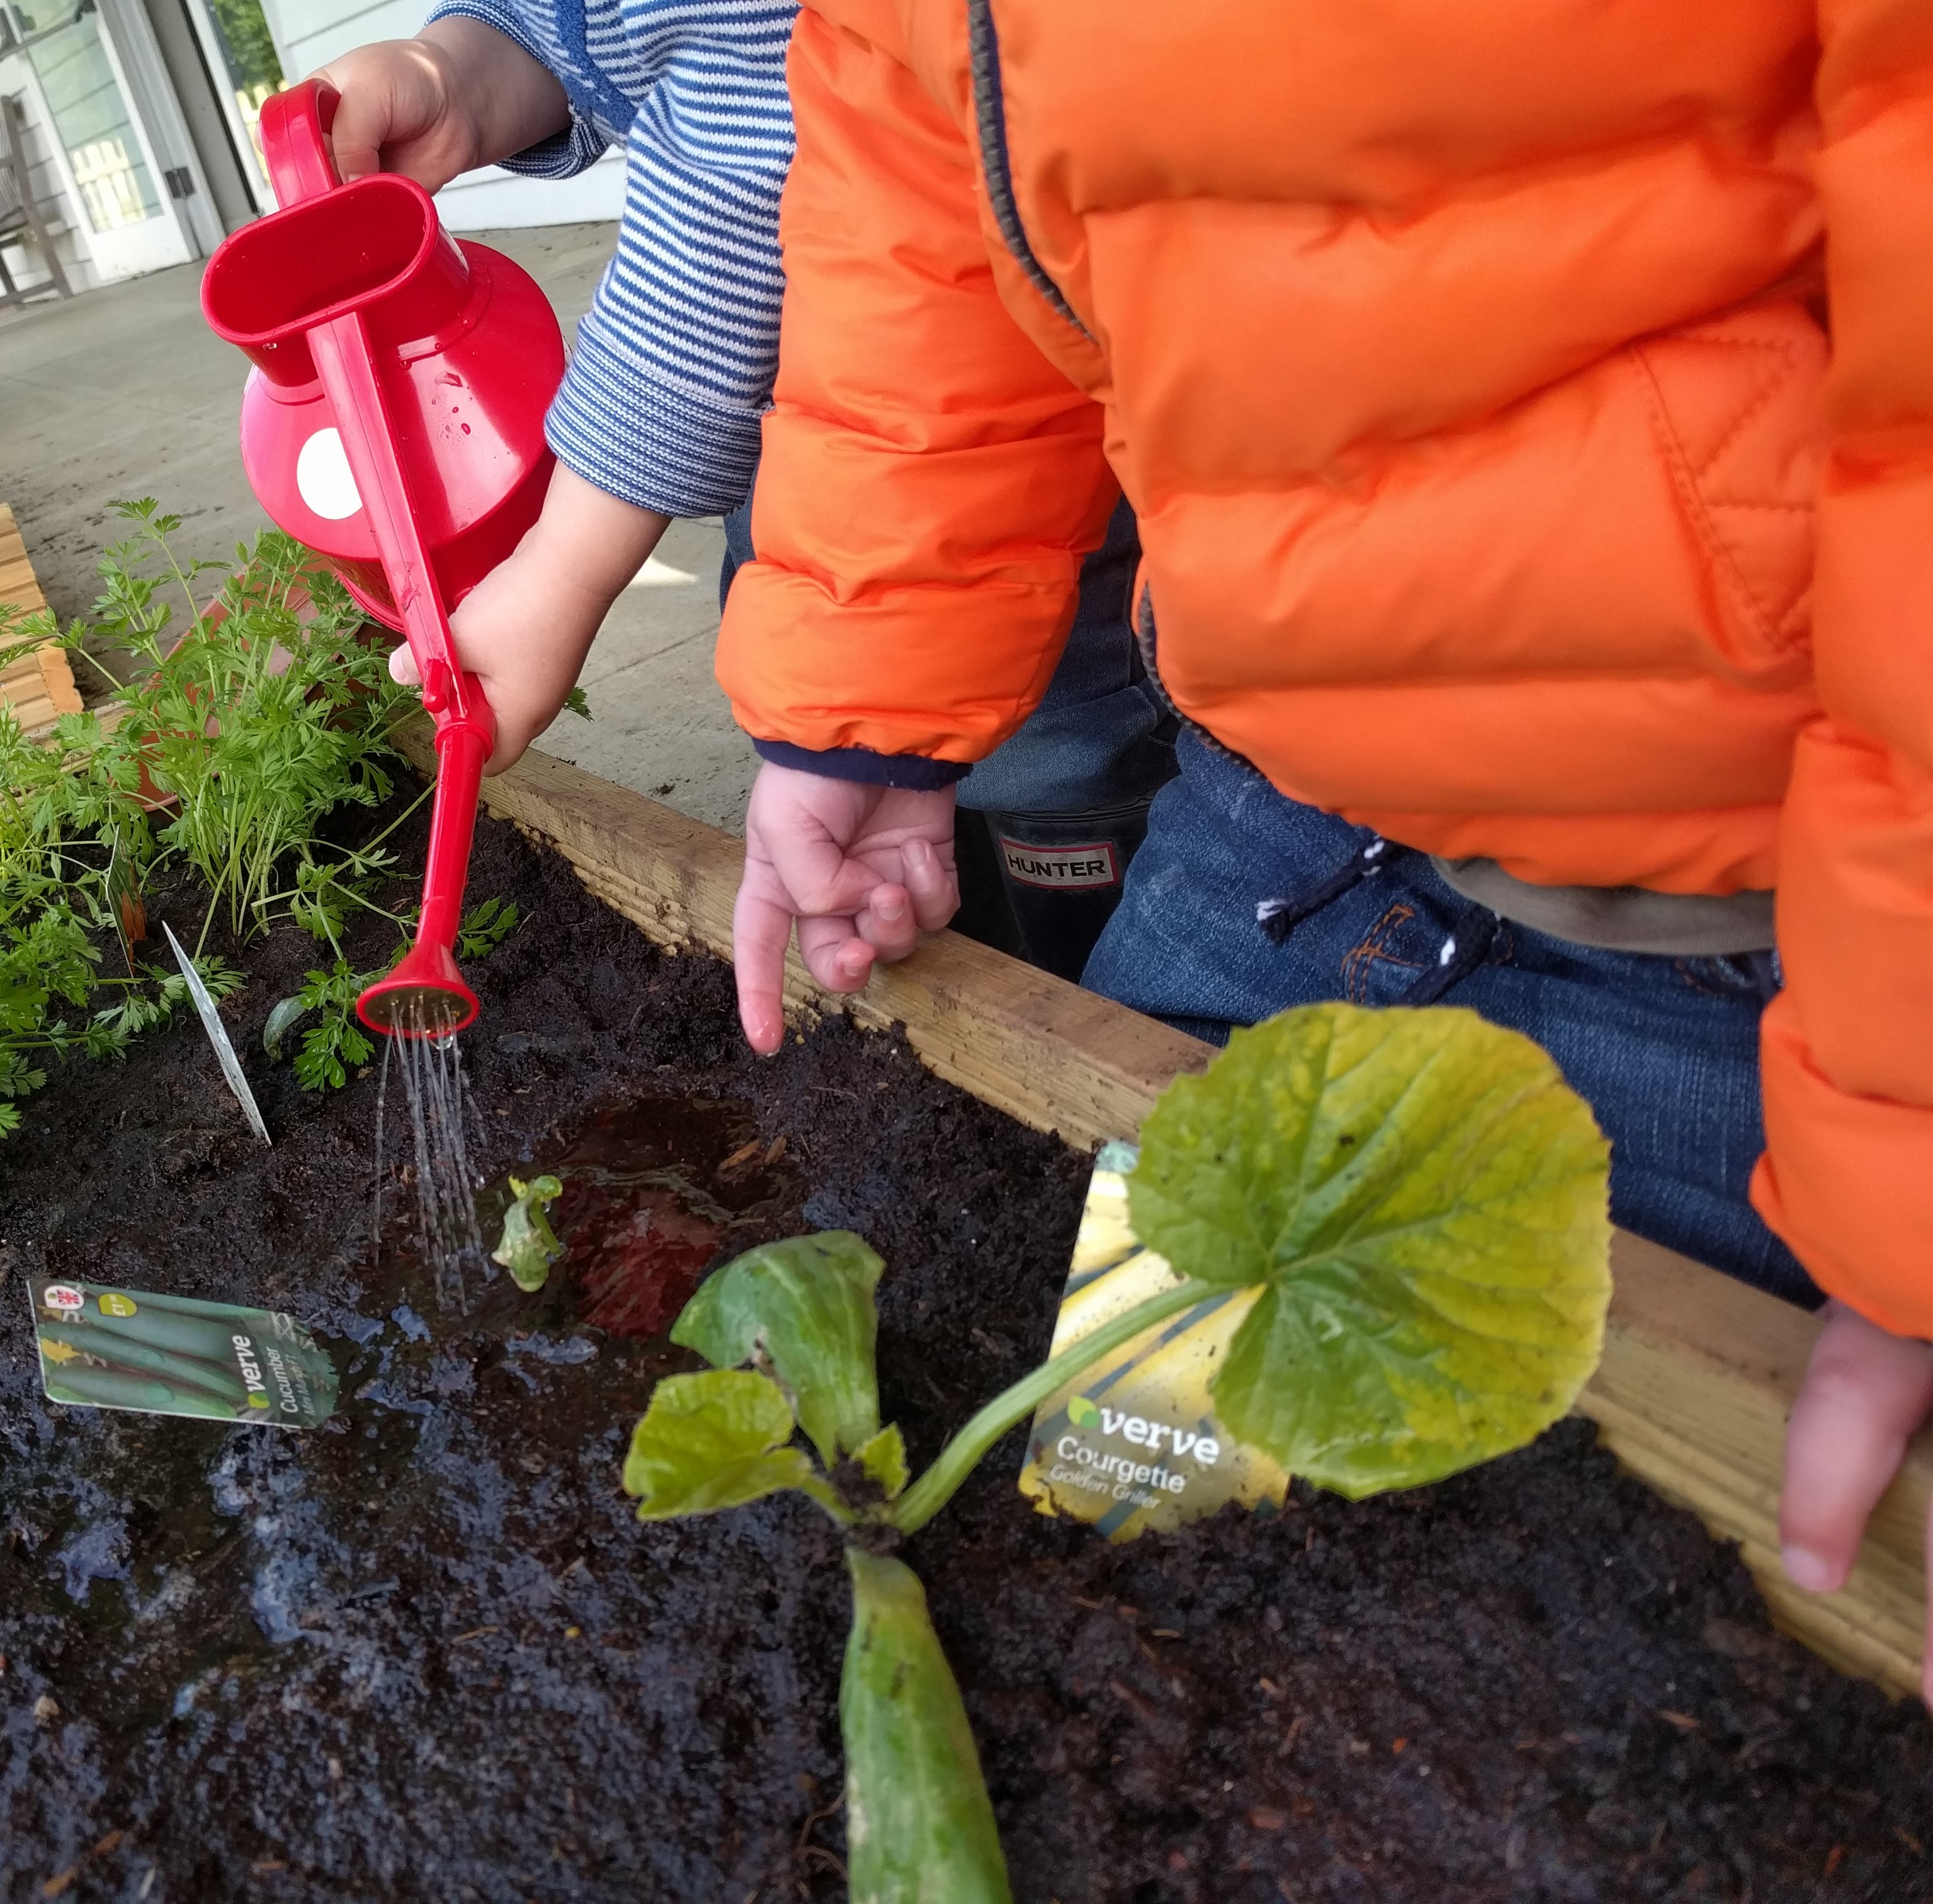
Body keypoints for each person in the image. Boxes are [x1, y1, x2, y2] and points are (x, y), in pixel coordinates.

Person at [717, 0, 1933, 1692]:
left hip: (1784, 952)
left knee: (1574, 1667)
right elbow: (924, 163)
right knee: (1134, 1537)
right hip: (1276, 839)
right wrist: (869, 697)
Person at [312, 3, 1175, 972]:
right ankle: (945, 914)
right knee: (839, 701)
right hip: (802, 424)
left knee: (1052, 746)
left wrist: (562, 574)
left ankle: (1080, 964)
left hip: (994, 414)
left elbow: (748, 170)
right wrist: (461, 72)